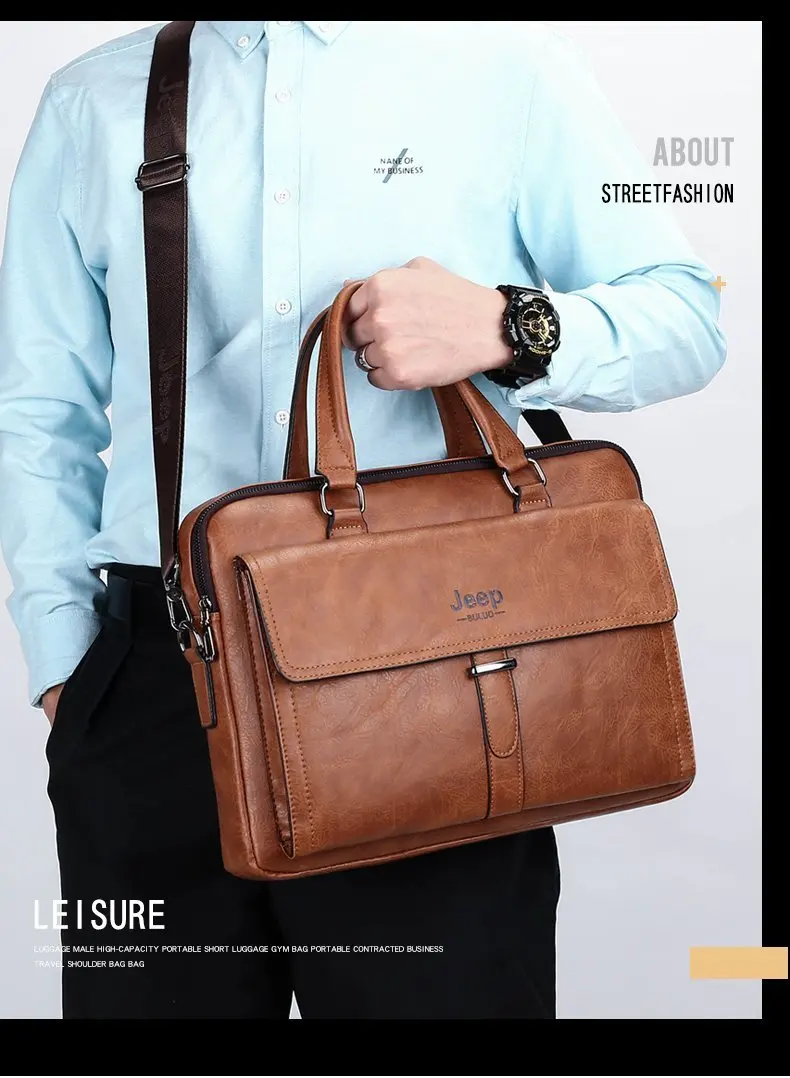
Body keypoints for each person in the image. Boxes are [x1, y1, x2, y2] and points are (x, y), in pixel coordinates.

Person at [0, 20, 725, 1020]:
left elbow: (688, 315)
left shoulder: (503, 68)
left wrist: (506, 326)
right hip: (154, 684)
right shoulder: (94, 99)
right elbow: (38, 408)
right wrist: (67, 668)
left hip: (428, 668)